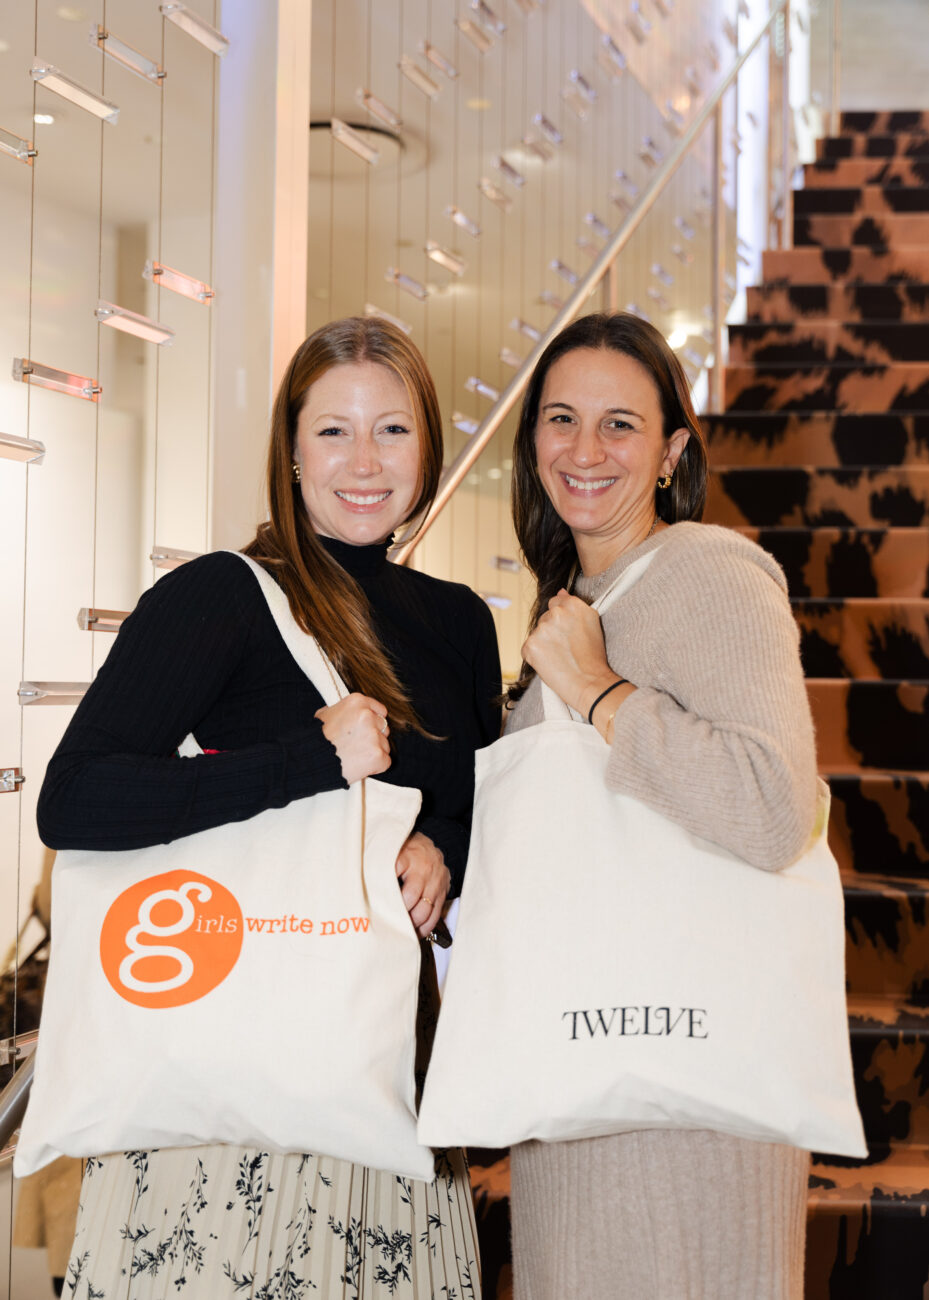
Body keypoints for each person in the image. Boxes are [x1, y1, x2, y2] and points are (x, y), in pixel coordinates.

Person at [36, 315, 500, 1299]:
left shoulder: (459, 623)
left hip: (389, 1091)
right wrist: (305, 761)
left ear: (428, 444)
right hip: (223, 1117)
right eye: (333, 430)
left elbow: (470, 798)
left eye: (392, 430)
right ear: (290, 450)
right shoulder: (220, 597)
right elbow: (74, 799)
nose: (363, 461)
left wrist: (442, 849)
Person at [504, 311, 818, 1299]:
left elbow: (773, 807)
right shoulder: (581, 599)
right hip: (583, 1073)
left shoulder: (709, 573)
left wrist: (603, 696)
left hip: (682, 1105)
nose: (584, 450)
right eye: (560, 419)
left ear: (672, 449)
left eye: (619, 424)